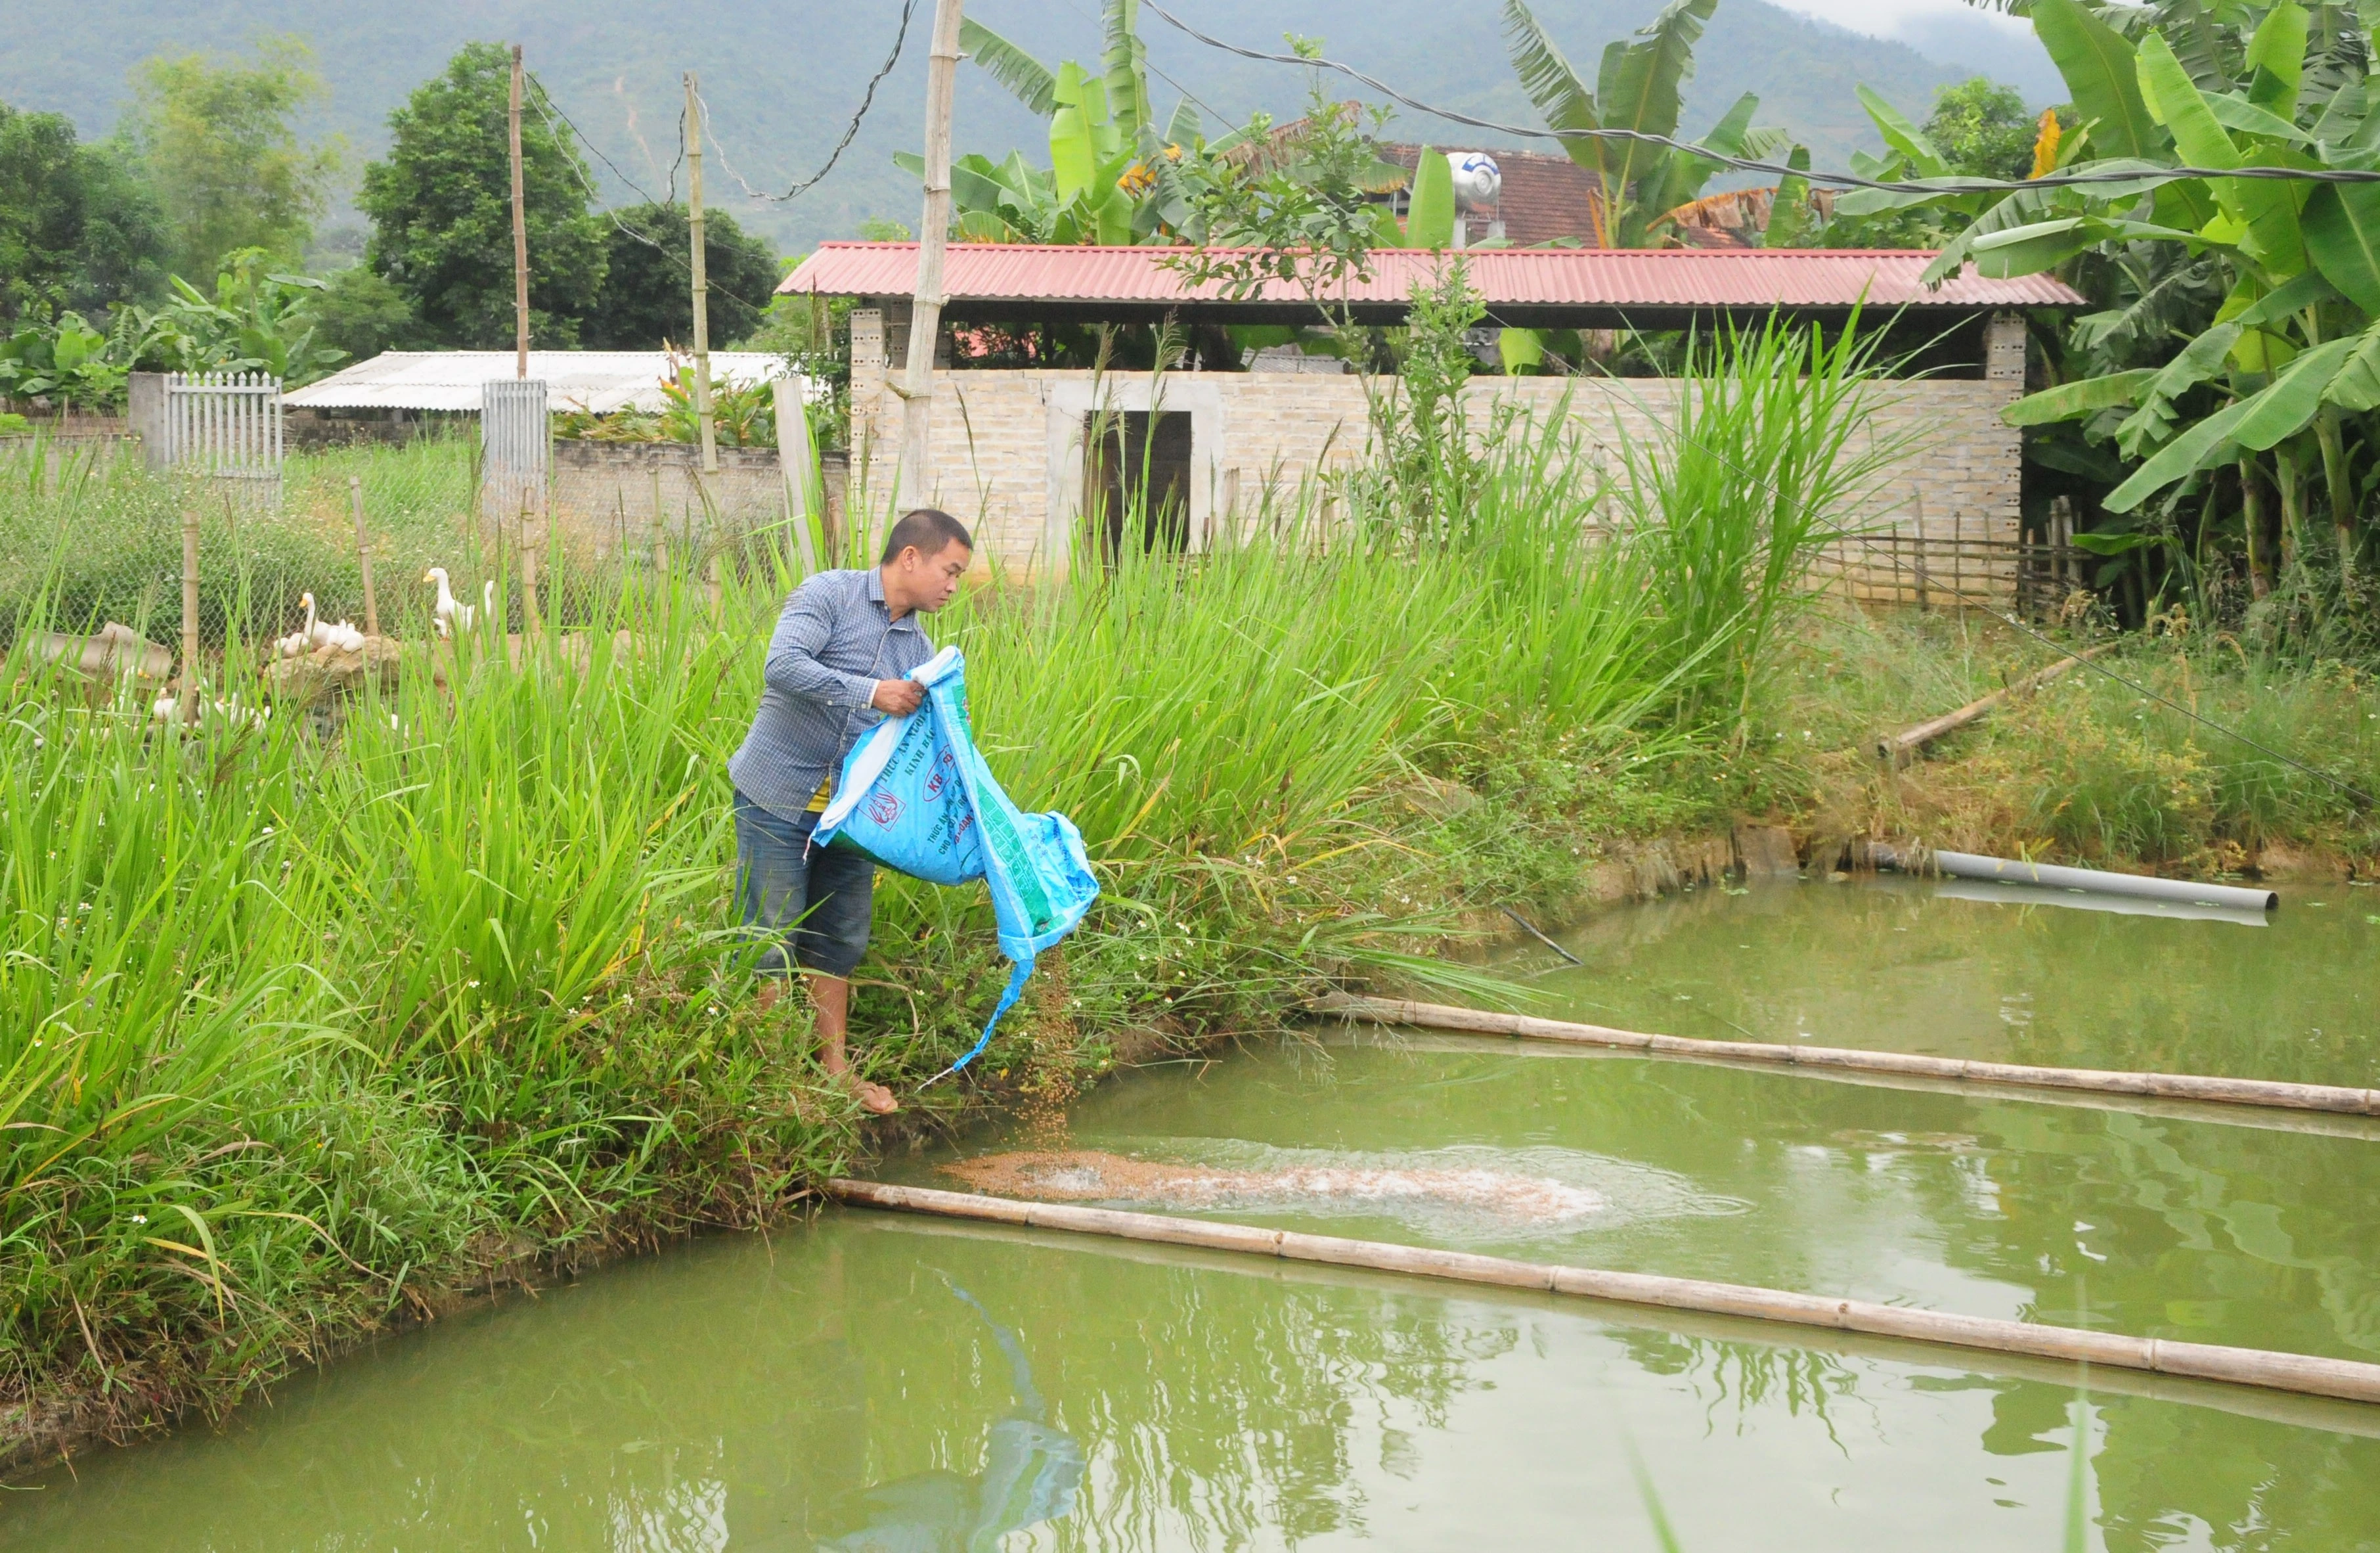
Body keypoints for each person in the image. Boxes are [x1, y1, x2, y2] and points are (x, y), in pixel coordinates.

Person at [729, 508, 974, 1115]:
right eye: (950, 570)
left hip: (848, 815)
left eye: (960, 577)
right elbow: (782, 667)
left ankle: (834, 1071)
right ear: (911, 558)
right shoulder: (829, 595)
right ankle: (766, 1082)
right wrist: (870, 691)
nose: (953, 586)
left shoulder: (917, 649)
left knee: (838, 935)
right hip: (776, 793)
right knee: (770, 934)